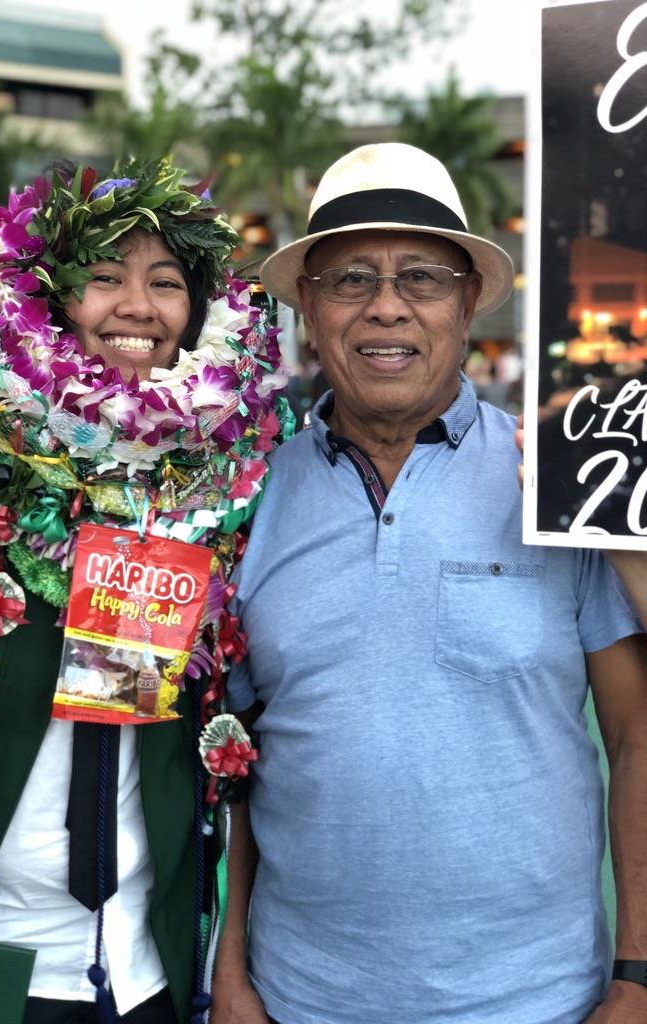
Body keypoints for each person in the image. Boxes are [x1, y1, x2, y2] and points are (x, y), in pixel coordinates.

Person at [211, 143, 647, 1024]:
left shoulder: (560, 473)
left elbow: (637, 737)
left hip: (541, 1002)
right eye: (348, 279)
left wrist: (637, 976)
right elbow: (236, 767)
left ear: (469, 299)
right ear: (307, 304)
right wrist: (231, 972)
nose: (386, 308)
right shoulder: (246, 496)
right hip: (303, 999)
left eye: (422, 276)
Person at [0, 156, 289, 1022]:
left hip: (145, 962)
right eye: (104, 276)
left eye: (167, 282)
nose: (137, 307)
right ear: (46, 298)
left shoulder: (218, 482)